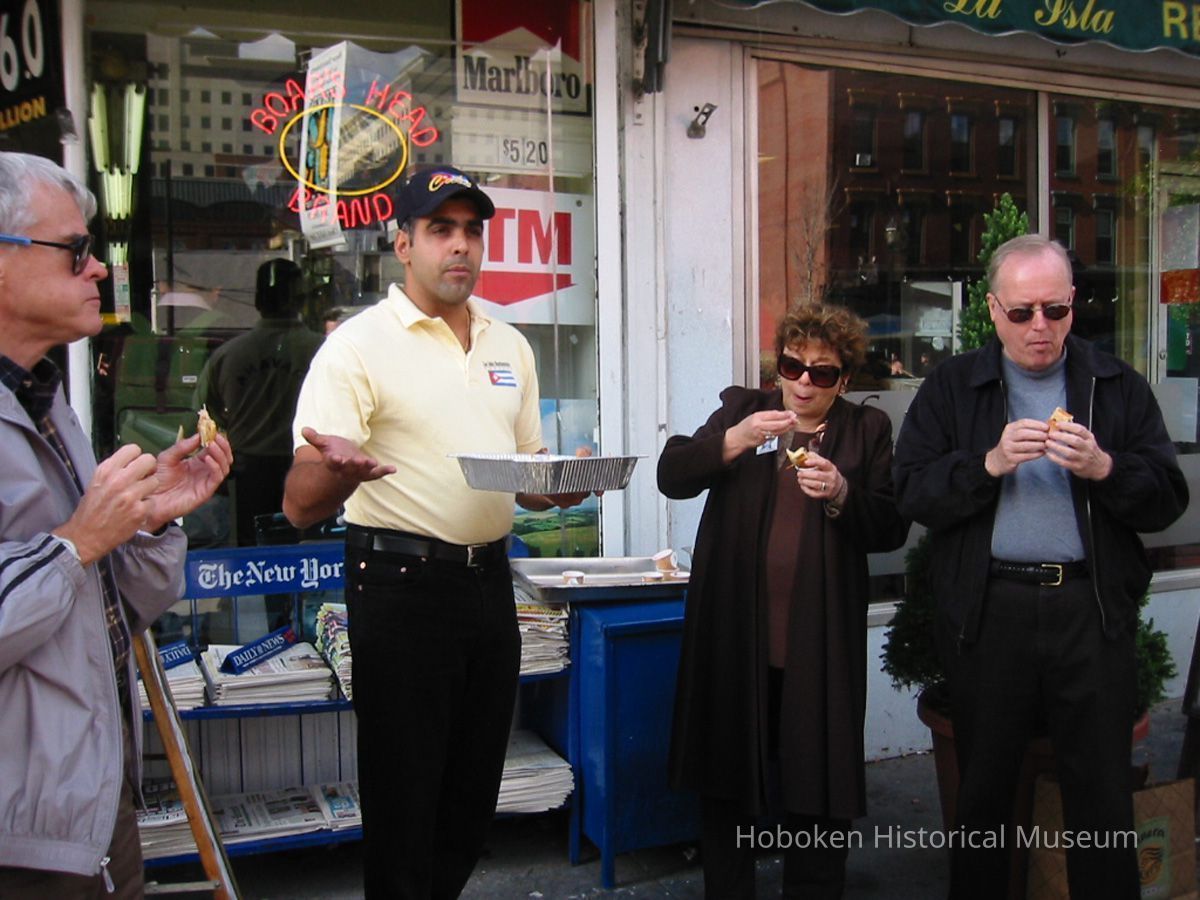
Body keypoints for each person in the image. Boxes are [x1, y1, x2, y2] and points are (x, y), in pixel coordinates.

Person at [282, 165, 587, 898]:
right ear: (403, 244)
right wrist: (341, 471)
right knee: (404, 796)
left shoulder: (508, 345)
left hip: (490, 582)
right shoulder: (357, 347)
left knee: (472, 792)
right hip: (400, 584)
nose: (460, 246)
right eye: (440, 229)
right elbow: (298, 504)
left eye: (472, 231)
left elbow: (527, 474)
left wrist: (562, 485)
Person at [892, 235, 1188, 899]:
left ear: (1073, 304)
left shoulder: (1115, 385)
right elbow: (911, 492)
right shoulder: (953, 386)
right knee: (985, 790)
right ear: (993, 309)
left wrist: (1106, 469)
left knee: (1101, 792)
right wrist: (987, 464)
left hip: (1089, 609)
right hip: (990, 609)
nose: (1040, 327)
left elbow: (1167, 499)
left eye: (1055, 310)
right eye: (1022, 311)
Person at [0, 151, 232, 897]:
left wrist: (149, 522)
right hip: (21, 836)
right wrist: (78, 541)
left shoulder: (47, 399)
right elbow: (70, 557)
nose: (99, 268)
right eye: (75, 250)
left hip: (91, 809)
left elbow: (115, 609)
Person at [658, 303, 909, 898]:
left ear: (843, 381)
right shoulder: (744, 411)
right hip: (737, 635)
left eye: (822, 373)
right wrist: (734, 440)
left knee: (816, 781)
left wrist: (843, 492)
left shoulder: (865, 430)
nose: (803, 383)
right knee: (727, 778)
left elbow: (892, 526)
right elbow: (673, 474)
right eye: (793, 367)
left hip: (817, 641)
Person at [196, 258, 322, 546]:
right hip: (306, 469)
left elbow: (205, 415)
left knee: (251, 557)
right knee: (306, 557)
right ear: (301, 300)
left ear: (256, 301)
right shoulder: (324, 351)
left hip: (248, 476)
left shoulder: (229, 355)